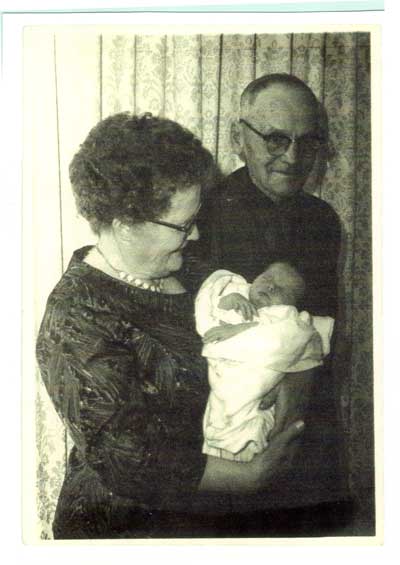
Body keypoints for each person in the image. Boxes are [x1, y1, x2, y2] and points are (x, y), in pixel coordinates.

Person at [36, 112, 310, 540]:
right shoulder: (76, 315)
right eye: (183, 225)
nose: (197, 235)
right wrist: (254, 476)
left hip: (218, 517)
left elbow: (277, 336)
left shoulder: (196, 271)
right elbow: (129, 459)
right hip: (131, 530)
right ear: (125, 224)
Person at [189, 73, 348, 513]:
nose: (294, 158)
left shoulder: (323, 220)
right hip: (223, 441)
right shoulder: (201, 210)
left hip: (303, 428)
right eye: (276, 139)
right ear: (239, 137)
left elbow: (323, 330)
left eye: (308, 142)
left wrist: (291, 423)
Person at [195, 262, 334, 464]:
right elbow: (211, 316)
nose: (271, 287)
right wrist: (229, 300)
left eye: (282, 289)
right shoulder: (236, 293)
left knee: (248, 418)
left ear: (292, 303)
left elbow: (283, 338)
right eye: (267, 279)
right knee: (222, 413)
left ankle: (239, 452)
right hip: (223, 371)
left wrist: (240, 330)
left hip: (257, 376)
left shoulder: (284, 315)